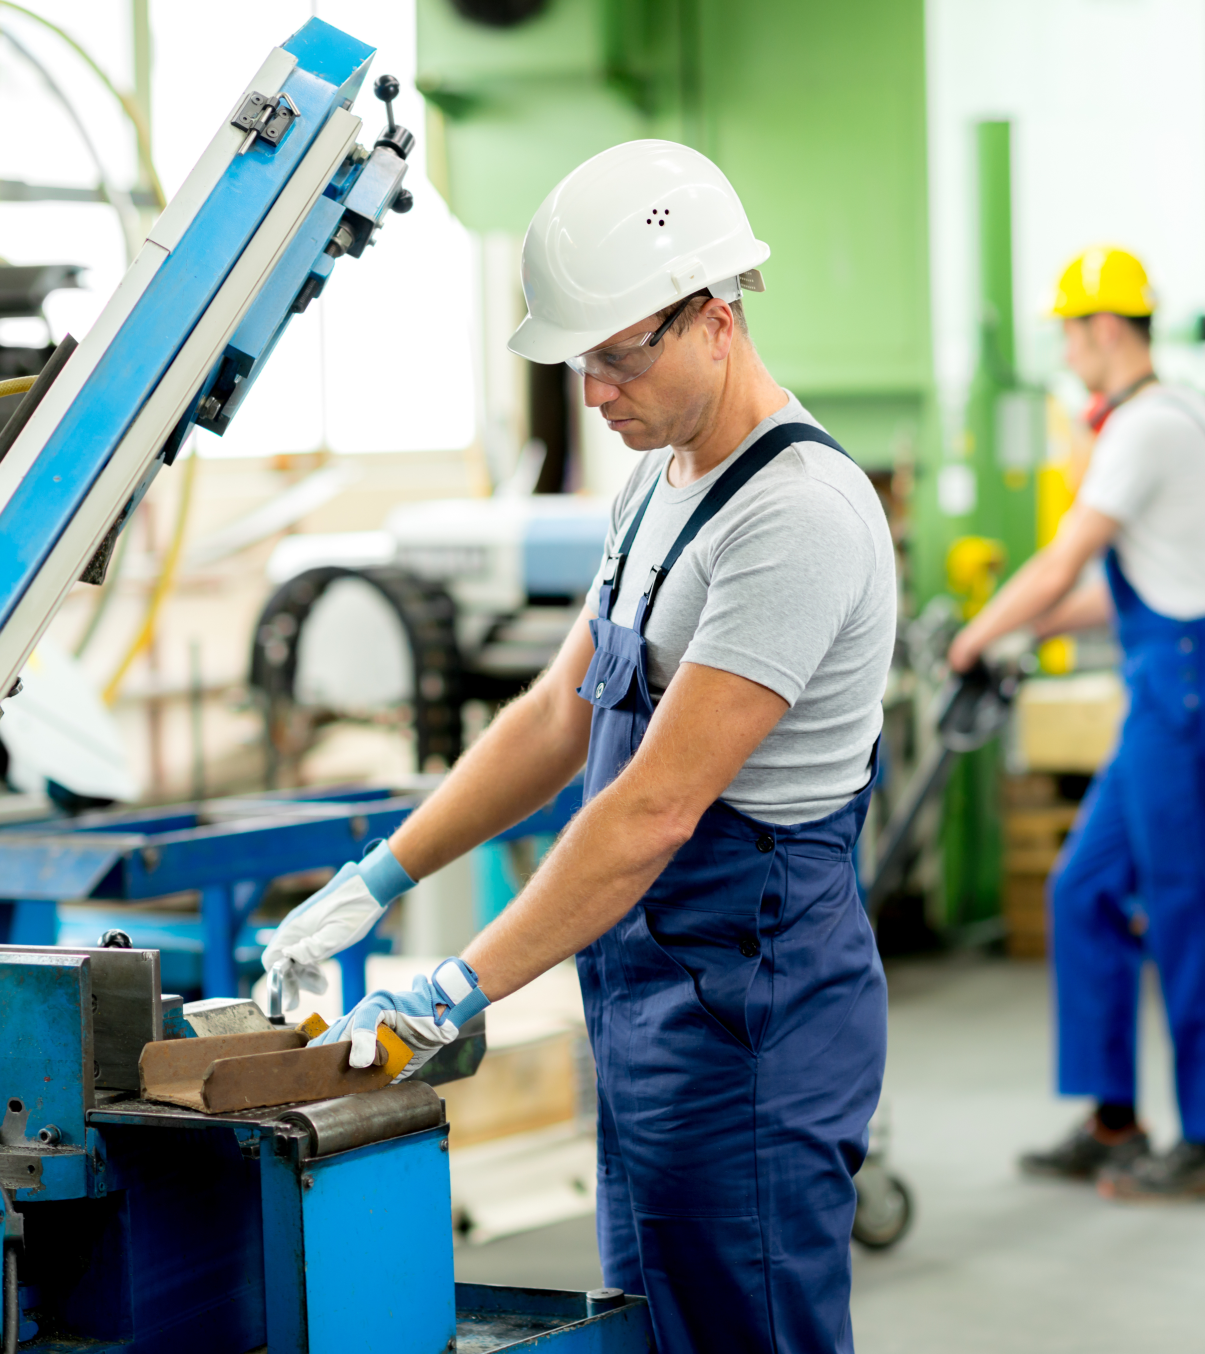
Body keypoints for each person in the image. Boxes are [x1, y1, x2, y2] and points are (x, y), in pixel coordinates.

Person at [261, 140, 895, 1350]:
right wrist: (377, 877)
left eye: (614, 354)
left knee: (747, 1324)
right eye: (578, 359)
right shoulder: (658, 485)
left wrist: (454, 988)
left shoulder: (794, 517)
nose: (593, 389)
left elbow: (651, 810)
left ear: (715, 317)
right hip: (650, 1004)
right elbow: (557, 715)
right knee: (650, 1323)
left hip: (749, 1021)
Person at [947, 245, 1205, 1201]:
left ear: (1107, 328)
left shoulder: (1148, 428)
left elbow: (1063, 561)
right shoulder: (1175, 420)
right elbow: (1117, 593)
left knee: (1183, 906)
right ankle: (1114, 1121)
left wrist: (976, 636)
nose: (1067, 350)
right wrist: (1020, 632)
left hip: (1187, 691)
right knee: (1083, 889)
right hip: (1171, 686)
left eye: (1071, 332)